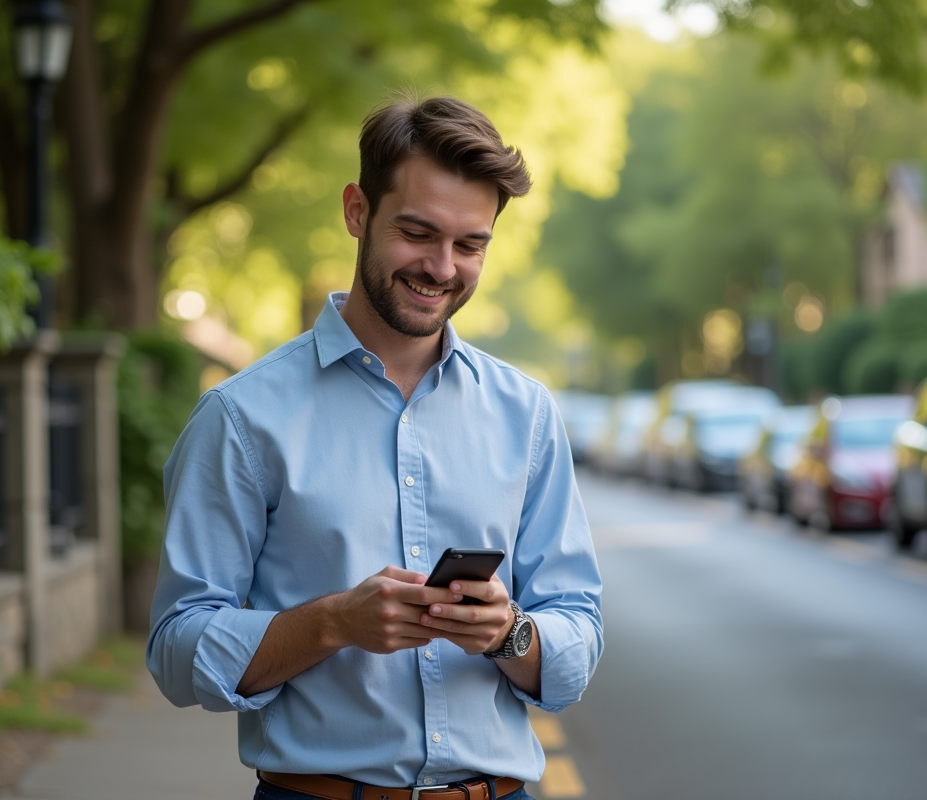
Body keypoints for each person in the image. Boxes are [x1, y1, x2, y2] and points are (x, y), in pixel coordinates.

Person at [148, 95, 603, 800]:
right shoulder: (240, 417)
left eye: (470, 245)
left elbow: (577, 633)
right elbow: (178, 649)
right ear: (357, 211)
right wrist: (333, 623)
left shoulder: (528, 414)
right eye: (418, 233)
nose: (442, 268)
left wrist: (506, 632)